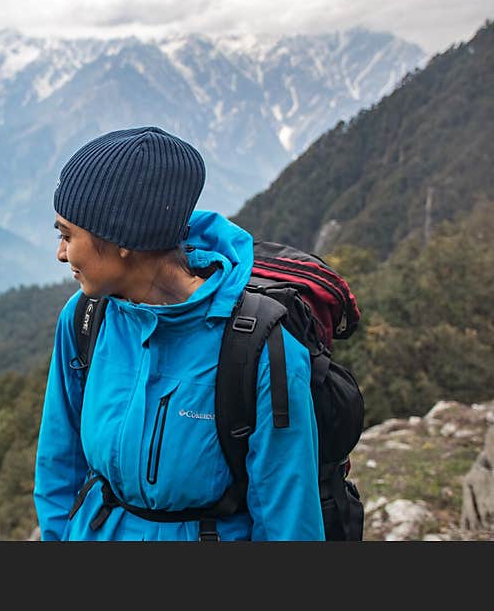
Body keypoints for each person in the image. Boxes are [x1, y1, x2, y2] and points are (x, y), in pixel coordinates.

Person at [33, 126, 324, 541]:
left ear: (121, 239)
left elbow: (288, 521)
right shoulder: (84, 319)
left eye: (68, 235)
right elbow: (59, 466)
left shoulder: (259, 349)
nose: (61, 253)